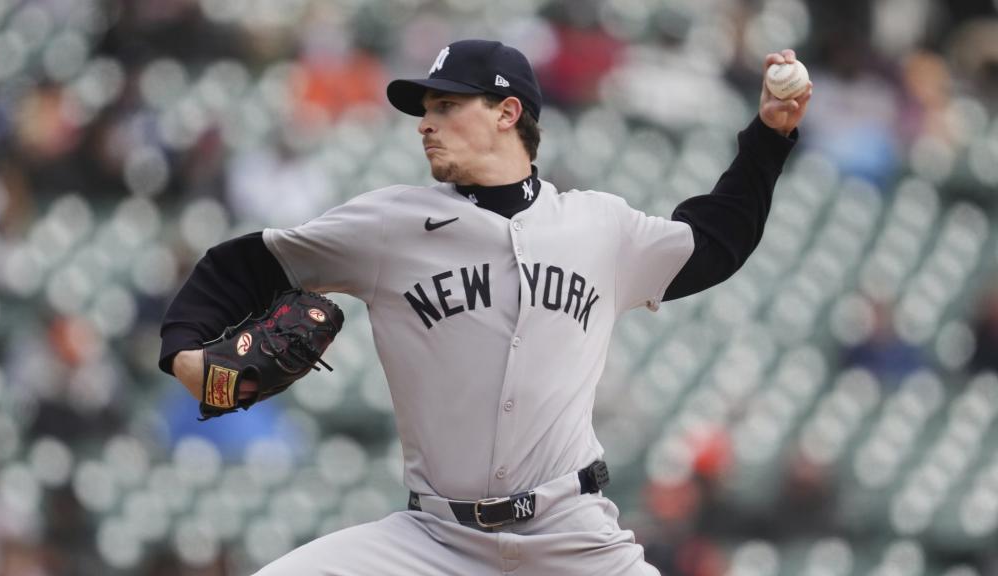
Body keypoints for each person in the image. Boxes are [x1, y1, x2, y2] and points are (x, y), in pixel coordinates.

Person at [159, 39, 811, 575]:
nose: (425, 123)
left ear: (507, 112)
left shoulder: (598, 227)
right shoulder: (388, 225)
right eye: (425, 110)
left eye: (446, 106)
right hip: (432, 542)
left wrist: (769, 137)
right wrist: (188, 360)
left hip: (573, 537)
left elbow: (715, 241)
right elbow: (240, 267)